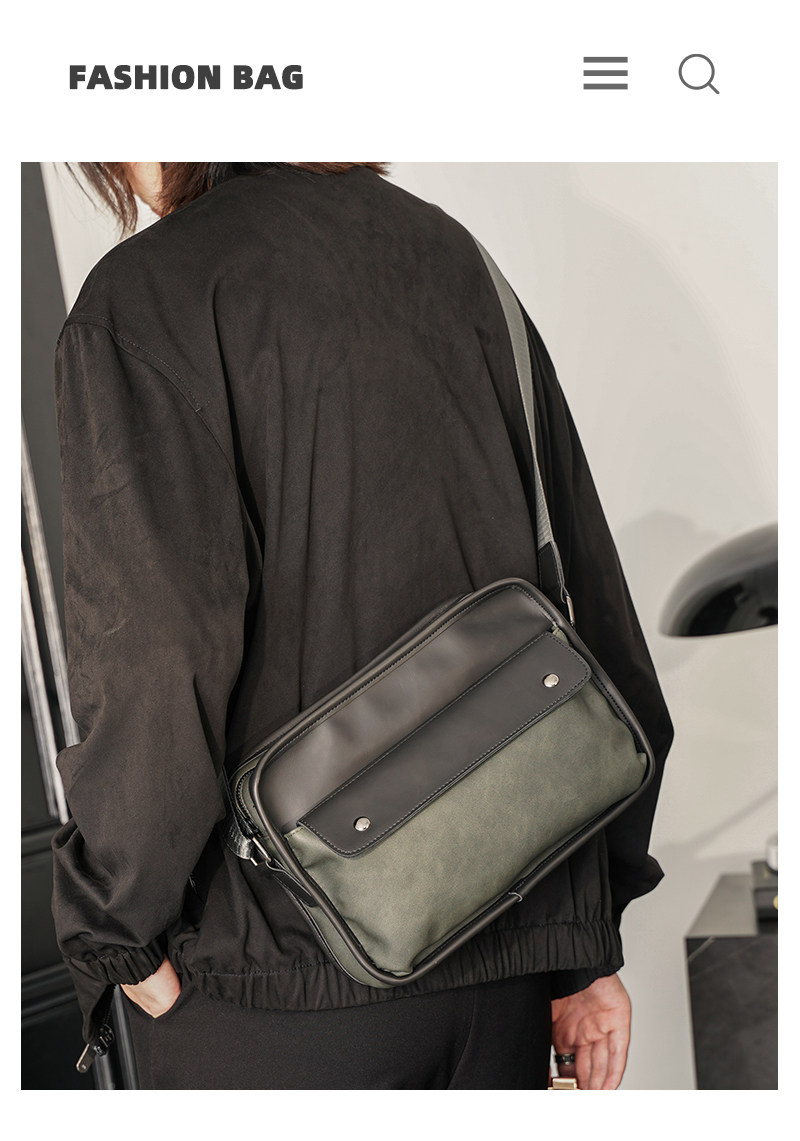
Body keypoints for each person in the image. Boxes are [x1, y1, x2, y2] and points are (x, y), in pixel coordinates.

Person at [51, 162, 674, 1090]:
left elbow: (152, 655)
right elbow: (579, 589)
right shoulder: (454, 255)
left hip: (277, 977)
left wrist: (114, 927)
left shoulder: (148, 294)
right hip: (504, 952)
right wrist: (582, 941)